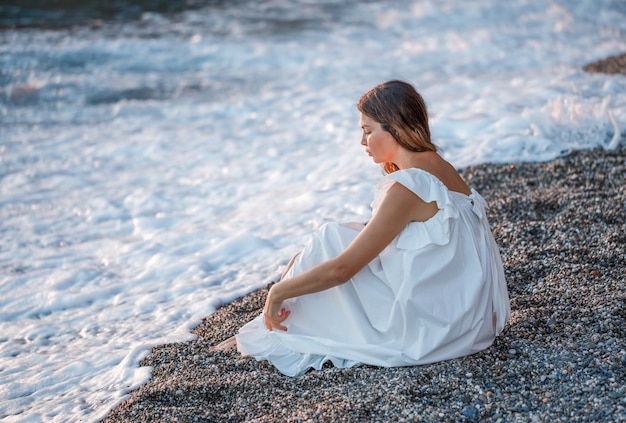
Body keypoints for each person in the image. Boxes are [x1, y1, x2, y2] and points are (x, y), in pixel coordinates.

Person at [215, 80, 510, 377]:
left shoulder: (411, 186)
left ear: (395, 127)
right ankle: (267, 327)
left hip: (432, 330)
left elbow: (341, 270)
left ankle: (268, 332)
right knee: (335, 240)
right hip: (468, 321)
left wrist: (277, 292)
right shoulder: (440, 168)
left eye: (368, 130)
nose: (362, 141)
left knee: (327, 241)